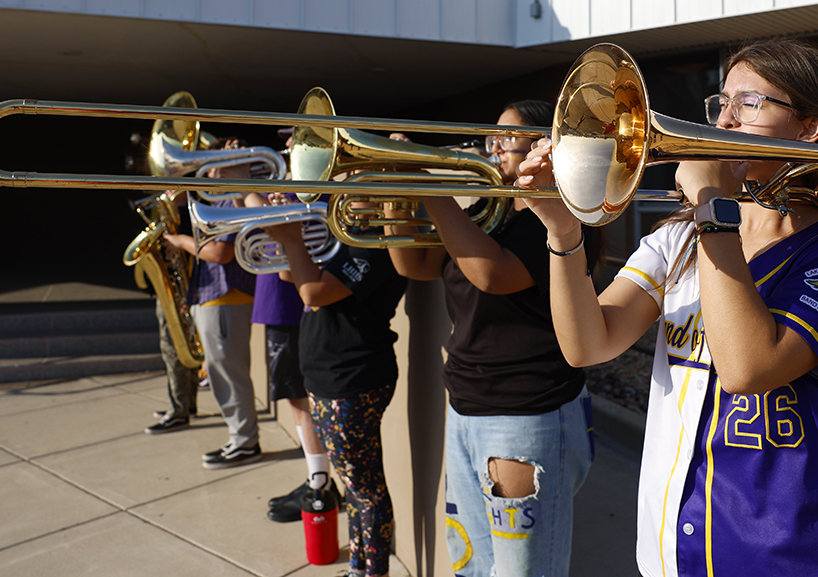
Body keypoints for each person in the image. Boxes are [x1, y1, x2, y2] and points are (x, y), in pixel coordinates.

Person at [516, 38, 818, 576]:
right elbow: (588, 343)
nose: (725, 121)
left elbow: (750, 367)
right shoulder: (679, 238)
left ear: (810, 128)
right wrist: (562, 230)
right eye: (722, 103)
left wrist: (714, 211)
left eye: (751, 103)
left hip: (787, 555)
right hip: (671, 548)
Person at [384, 100, 598, 577]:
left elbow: (492, 274)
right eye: (492, 138)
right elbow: (414, 266)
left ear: (545, 144)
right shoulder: (486, 209)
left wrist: (427, 183)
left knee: (523, 571)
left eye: (507, 138)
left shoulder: (563, 217)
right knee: (471, 566)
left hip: (524, 413)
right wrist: (397, 193)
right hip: (465, 405)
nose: (495, 147)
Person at [265, 197, 407, 577]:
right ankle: (359, 568)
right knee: (356, 488)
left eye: (359, 186)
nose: (346, 195)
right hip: (332, 378)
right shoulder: (348, 234)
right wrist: (285, 233)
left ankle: (371, 571)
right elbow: (289, 276)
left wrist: (293, 238)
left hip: (352, 379)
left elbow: (314, 292)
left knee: (366, 490)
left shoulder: (377, 242)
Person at [163, 138, 260, 469]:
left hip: (226, 295)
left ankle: (244, 441)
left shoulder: (233, 200)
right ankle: (241, 438)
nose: (208, 170)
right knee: (223, 372)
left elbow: (221, 253)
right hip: (215, 296)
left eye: (213, 162)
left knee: (228, 372)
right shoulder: (221, 201)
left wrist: (180, 241)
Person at [243, 190, 333, 523]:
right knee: (296, 401)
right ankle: (316, 478)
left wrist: (250, 192)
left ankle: (320, 485)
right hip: (280, 301)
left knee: (300, 399)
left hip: (290, 303)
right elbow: (250, 214)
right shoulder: (281, 184)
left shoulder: (311, 188)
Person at [143, 189, 201, 435]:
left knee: (173, 345)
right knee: (181, 345)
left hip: (182, 285)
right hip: (183, 283)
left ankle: (179, 409)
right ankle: (186, 404)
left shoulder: (196, 196)